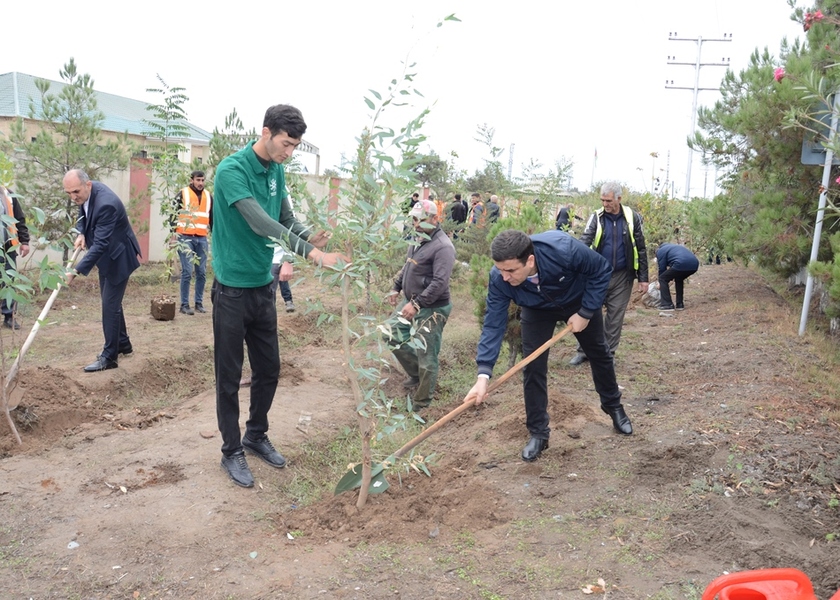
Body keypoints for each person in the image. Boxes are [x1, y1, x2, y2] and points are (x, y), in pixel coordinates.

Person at [212, 103, 347, 488]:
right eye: (286, 144)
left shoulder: (277, 172)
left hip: (262, 287)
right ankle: (231, 450)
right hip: (231, 290)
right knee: (228, 376)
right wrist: (314, 254)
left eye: (295, 147)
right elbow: (259, 221)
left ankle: (255, 435)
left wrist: (307, 236)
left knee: (269, 369)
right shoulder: (232, 170)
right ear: (266, 132)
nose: (289, 153)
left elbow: (286, 220)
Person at [466, 229, 632, 463]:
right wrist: (483, 375)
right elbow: (493, 325)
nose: (504, 276)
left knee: (599, 354)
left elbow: (601, 269)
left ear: (530, 260)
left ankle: (613, 406)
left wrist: (585, 312)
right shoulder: (499, 278)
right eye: (500, 269)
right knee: (532, 366)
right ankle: (539, 433)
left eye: (511, 270)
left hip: (578, 300)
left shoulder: (563, 250)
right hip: (536, 309)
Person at [63, 169, 142, 372]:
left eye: (75, 192)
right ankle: (123, 343)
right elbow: (85, 211)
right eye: (69, 193)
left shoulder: (106, 204)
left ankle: (109, 357)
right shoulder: (88, 192)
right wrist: (81, 233)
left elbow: (99, 244)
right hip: (107, 257)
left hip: (119, 257)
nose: (73, 197)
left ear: (87, 185)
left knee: (109, 306)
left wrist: (75, 272)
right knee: (111, 303)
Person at [569, 182, 649, 366]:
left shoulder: (633, 218)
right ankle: (583, 352)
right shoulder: (596, 217)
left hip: (623, 276)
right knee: (589, 312)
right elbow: (584, 242)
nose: (605, 204)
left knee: (615, 316)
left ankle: (608, 354)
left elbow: (641, 248)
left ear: (619, 199)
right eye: (602, 200)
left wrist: (643, 278)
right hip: (597, 276)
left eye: (608, 200)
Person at [387, 200, 455, 410]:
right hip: (412, 301)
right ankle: (416, 374)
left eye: (421, 220)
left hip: (432, 307)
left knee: (427, 354)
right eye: (414, 219)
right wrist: (396, 287)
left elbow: (439, 282)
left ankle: (422, 403)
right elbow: (408, 266)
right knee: (391, 333)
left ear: (435, 219)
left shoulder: (443, 247)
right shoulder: (419, 239)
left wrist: (416, 304)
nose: (416, 224)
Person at [172, 170, 212, 315]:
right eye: (198, 180)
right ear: (192, 180)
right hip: (185, 237)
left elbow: (211, 218)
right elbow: (173, 213)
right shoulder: (183, 193)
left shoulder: (208, 196)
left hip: (202, 238)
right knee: (187, 271)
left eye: (202, 180)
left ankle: (199, 303)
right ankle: (184, 305)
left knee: (201, 272)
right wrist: (172, 235)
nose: (200, 183)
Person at [0, 186, 31, 330]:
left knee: (9, 282)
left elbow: (19, 218)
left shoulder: (8, 194)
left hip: (8, 248)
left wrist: (24, 241)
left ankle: (9, 317)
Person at [656, 243, 699, 310]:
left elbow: (662, 268)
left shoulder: (660, 251)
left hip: (680, 263)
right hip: (694, 265)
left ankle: (667, 304)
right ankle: (680, 304)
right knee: (679, 278)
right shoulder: (674, 247)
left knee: (662, 278)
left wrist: (659, 282)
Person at [271, 245, 296, 313]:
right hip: (274, 260)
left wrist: (288, 260)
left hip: (276, 260)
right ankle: (288, 301)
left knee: (271, 287)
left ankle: (270, 307)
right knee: (283, 281)